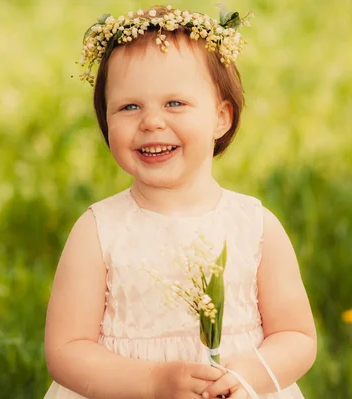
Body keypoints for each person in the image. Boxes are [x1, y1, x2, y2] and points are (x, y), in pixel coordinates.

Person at [43, 5, 316, 399]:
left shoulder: (254, 226)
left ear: (221, 117)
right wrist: (154, 383)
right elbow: (66, 351)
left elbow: (297, 335)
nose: (151, 122)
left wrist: (248, 374)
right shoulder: (98, 231)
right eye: (129, 106)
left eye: (175, 104)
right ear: (105, 119)